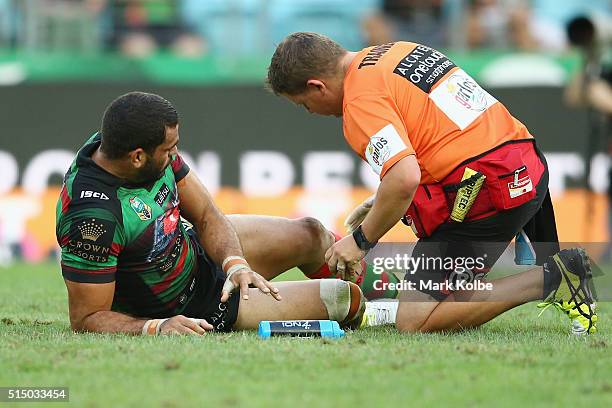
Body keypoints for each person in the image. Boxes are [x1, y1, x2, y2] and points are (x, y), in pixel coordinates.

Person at [266, 32, 598, 334]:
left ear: (317, 86)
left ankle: (554, 278)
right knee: (448, 293)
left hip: (486, 193)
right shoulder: (397, 51)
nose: (311, 112)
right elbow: (446, 133)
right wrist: (384, 200)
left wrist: (360, 240)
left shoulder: (358, 102)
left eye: (304, 104)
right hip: (525, 164)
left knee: (415, 320)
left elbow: (404, 177)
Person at [55, 91, 367, 336]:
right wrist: (154, 327)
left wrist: (235, 265)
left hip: (196, 252)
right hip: (198, 304)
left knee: (313, 234)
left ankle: (395, 291)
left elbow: (205, 214)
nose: (176, 154)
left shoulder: (119, 143)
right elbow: (87, 318)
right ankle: (394, 311)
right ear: (137, 157)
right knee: (344, 299)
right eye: (169, 149)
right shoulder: (93, 219)